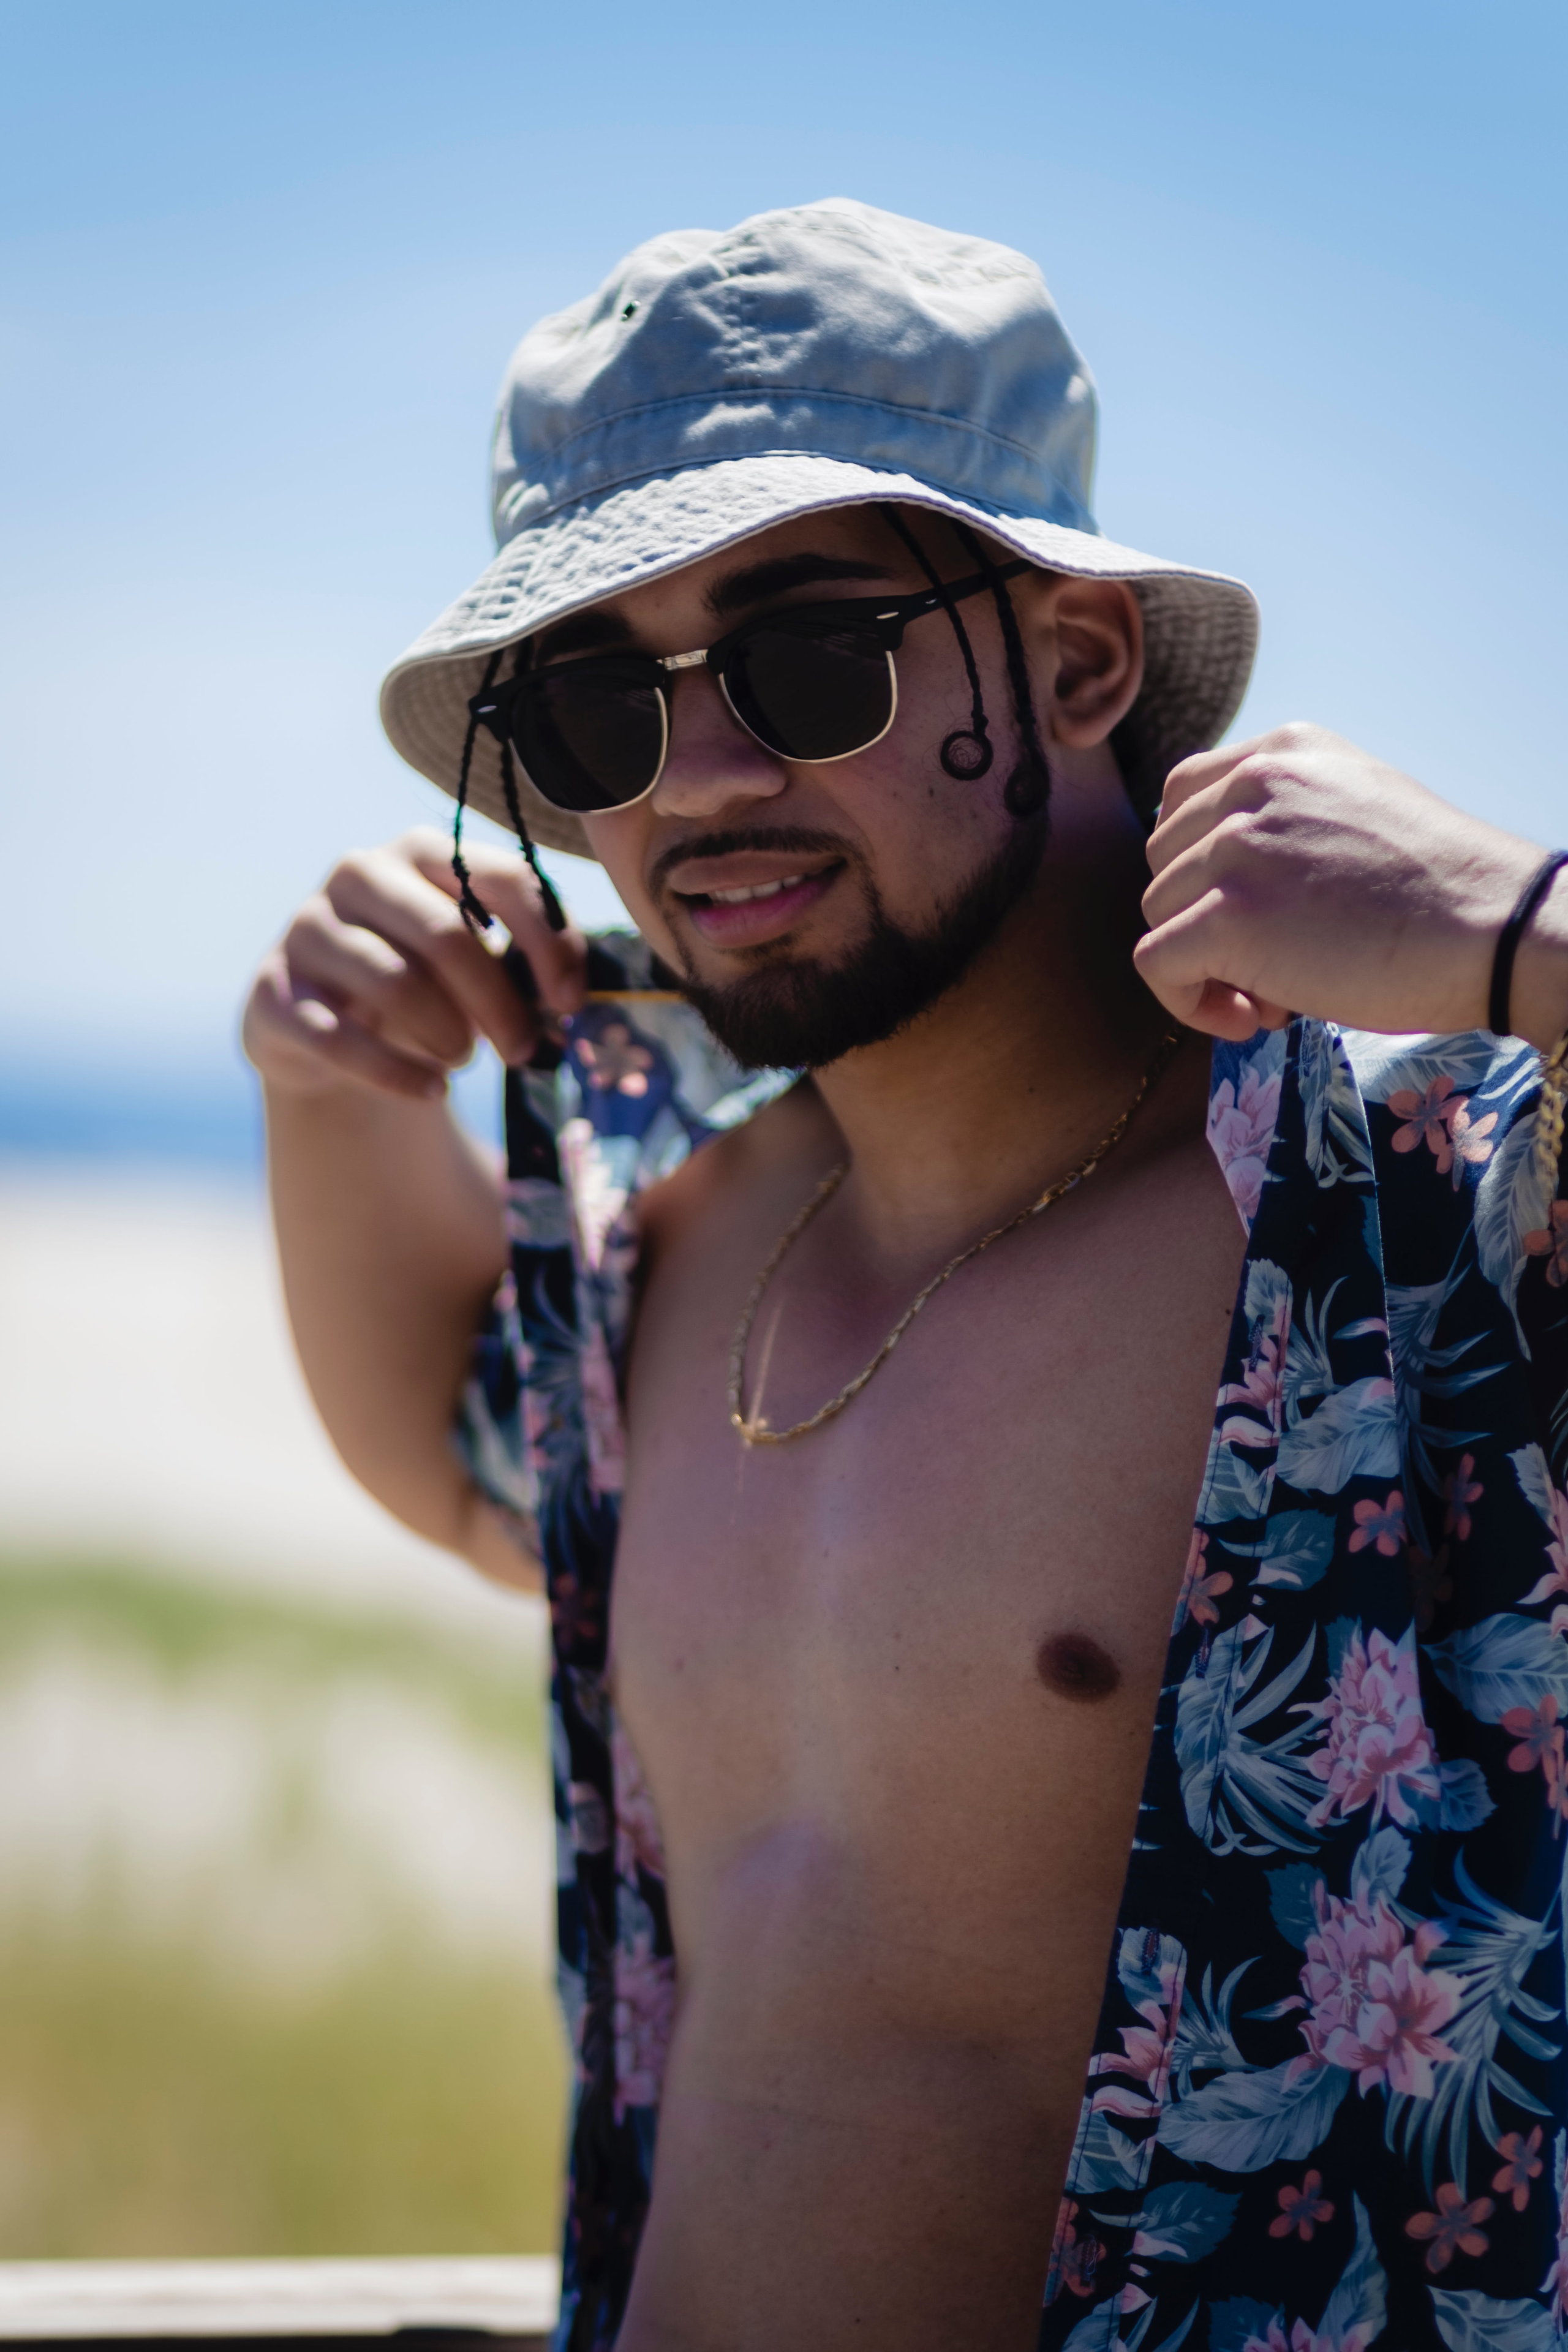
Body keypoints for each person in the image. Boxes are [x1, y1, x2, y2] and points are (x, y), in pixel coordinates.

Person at [244, 200, 1568, 2352]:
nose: (702, 776)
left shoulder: (1408, 1216)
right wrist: (327, 1098)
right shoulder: (676, 1242)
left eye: (807, 658)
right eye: (593, 704)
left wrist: (1523, 926)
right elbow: (460, 1453)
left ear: (1074, 662)